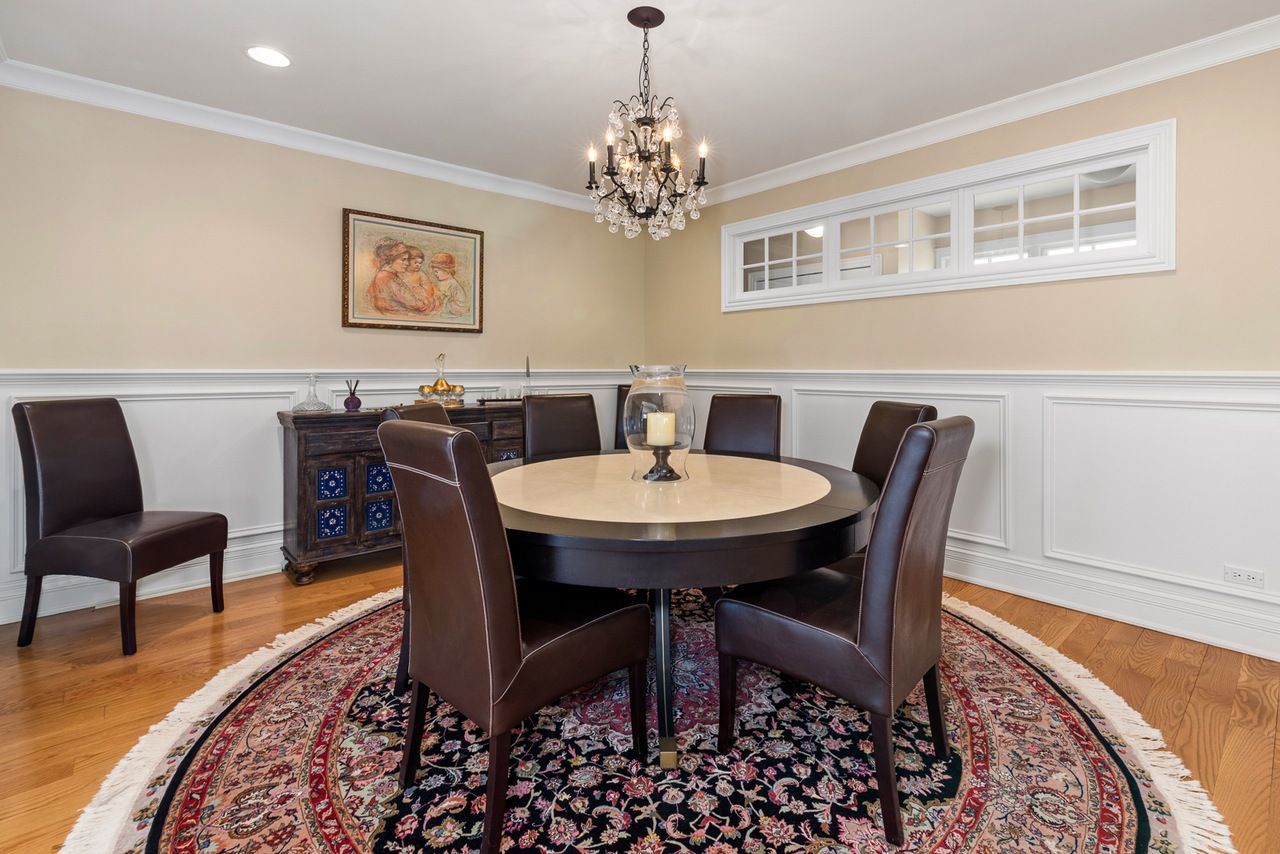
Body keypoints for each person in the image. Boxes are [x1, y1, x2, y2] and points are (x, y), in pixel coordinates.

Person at [367, 238, 432, 314]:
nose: (407, 263)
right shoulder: (387, 277)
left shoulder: (385, 275)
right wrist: (428, 302)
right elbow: (416, 304)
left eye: (407, 260)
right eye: (403, 260)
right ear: (390, 260)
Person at [401, 246, 443, 315]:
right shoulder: (401, 273)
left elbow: (428, 288)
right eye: (415, 263)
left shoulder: (421, 274)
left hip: (422, 298)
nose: (418, 265)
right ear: (407, 261)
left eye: (420, 263)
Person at [428, 252, 470, 317]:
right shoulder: (442, 281)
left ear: (446, 270)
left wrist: (440, 297)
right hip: (446, 306)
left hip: (457, 308)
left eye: (436, 271)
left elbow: (452, 300)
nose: (435, 274)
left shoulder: (452, 283)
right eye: (434, 272)